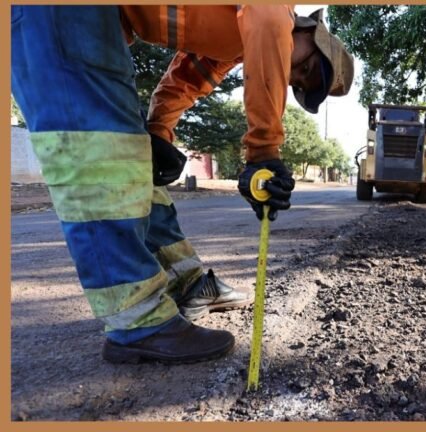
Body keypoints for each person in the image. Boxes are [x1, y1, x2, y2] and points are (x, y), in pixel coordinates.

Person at [11, 5, 354, 364]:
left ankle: (187, 285)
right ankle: (138, 324)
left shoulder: (228, 42)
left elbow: (183, 82)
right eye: (304, 68)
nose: (290, 75)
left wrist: (159, 131)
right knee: (99, 159)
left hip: (98, 21)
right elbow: (269, 22)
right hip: (57, 16)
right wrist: (264, 150)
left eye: (296, 83)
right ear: (310, 31)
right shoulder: (275, 12)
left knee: (131, 157)